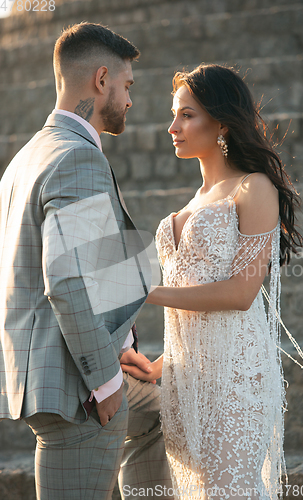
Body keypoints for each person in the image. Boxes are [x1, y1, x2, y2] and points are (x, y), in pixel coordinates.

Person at [0, 22, 172, 500]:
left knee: (161, 412)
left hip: (52, 371)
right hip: (79, 391)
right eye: (127, 85)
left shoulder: (28, 156)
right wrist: (103, 379)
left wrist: (115, 350)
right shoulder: (78, 158)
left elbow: (79, 270)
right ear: (101, 80)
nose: (130, 99)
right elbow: (66, 280)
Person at [143, 64, 303, 499]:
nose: (172, 127)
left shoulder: (254, 188)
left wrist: (145, 292)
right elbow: (191, 303)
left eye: (186, 115)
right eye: (174, 114)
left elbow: (240, 293)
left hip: (238, 379)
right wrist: (161, 364)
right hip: (186, 384)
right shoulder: (190, 205)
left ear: (220, 122)